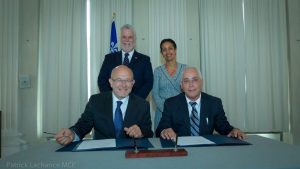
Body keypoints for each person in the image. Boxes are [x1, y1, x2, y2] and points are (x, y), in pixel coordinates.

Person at [55, 65, 153, 145]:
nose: (124, 85)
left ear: (133, 83)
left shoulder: (143, 105)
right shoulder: (95, 101)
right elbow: (82, 126)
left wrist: (141, 133)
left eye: (128, 80)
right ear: (111, 82)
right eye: (119, 80)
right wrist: (72, 134)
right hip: (101, 154)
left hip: (130, 153)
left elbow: (148, 132)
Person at [156, 67, 246, 140]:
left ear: (201, 82)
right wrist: (165, 130)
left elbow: (223, 127)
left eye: (195, 80)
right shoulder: (171, 103)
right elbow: (162, 126)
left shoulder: (214, 103)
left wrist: (233, 130)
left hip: (206, 151)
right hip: (181, 151)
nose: (191, 84)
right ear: (181, 85)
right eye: (186, 81)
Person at [98, 24, 153, 99]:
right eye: (124, 37)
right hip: (112, 103)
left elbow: (148, 83)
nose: (127, 40)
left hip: (136, 105)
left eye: (130, 37)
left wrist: (134, 100)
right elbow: (102, 80)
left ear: (135, 39)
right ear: (120, 39)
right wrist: (111, 99)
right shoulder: (109, 58)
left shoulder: (144, 60)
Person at [152, 39, 186, 130]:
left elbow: (189, 92)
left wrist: (177, 110)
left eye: (170, 48)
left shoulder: (185, 69)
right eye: (164, 49)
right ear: (161, 53)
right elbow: (155, 94)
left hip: (181, 112)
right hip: (162, 113)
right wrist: (167, 110)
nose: (167, 52)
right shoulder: (157, 71)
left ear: (175, 50)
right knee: (161, 141)